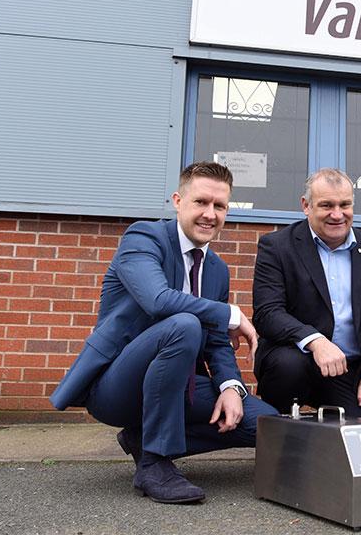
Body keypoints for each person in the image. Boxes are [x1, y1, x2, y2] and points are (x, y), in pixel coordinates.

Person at [50, 162, 278, 504]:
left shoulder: (216, 268)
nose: (210, 214)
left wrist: (231, 387)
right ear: (178, 201)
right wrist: (230, 313)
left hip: (180, 386)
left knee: (265, 422)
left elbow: (217, 342)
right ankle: (155, 465)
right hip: (117, 386)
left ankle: (143, 439)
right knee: (183, 325)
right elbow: (158, 301)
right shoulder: (143, 239)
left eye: (219, 206)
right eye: (201, 202)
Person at [252, 169, 361, 419]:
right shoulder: (276, 246)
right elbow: (268, 313)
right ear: (306, 205)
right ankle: (282, 431)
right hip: (295, 360)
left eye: (345, 205)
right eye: (326, 205)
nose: (337, 214)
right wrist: (315, 341)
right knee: (289, 367)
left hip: (347, 370)